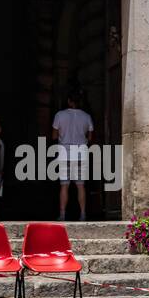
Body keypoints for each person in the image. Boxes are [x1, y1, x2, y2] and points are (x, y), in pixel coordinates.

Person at [51, 92, 93, 221]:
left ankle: (63, 215)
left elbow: (53, 136)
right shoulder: (87, 117)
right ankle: (83, 214)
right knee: (81, 185)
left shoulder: (60, 115)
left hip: (65, 152)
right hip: (80, 152)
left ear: (69, 101)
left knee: (64, 185)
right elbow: (90, 138)